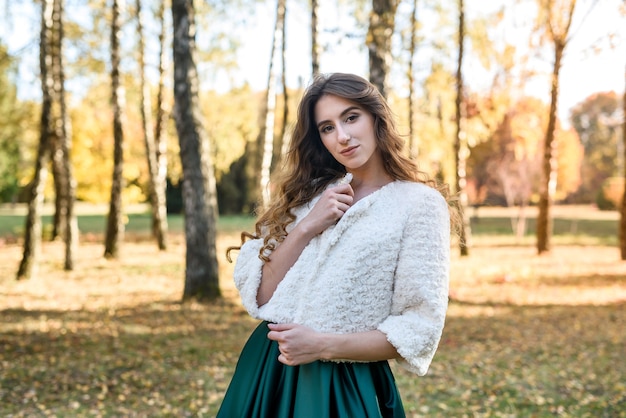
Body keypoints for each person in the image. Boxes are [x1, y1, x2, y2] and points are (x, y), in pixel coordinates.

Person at [217, 72, 458, 418]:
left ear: (376, 118)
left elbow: (419, 327)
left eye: (351, 118)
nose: (342, 136)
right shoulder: (307, 196)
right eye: (327, 127)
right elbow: (261, 296)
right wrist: (308, 226)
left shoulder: (419, 205)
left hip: (341, 383)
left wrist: (322, 345)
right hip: (267, 371)